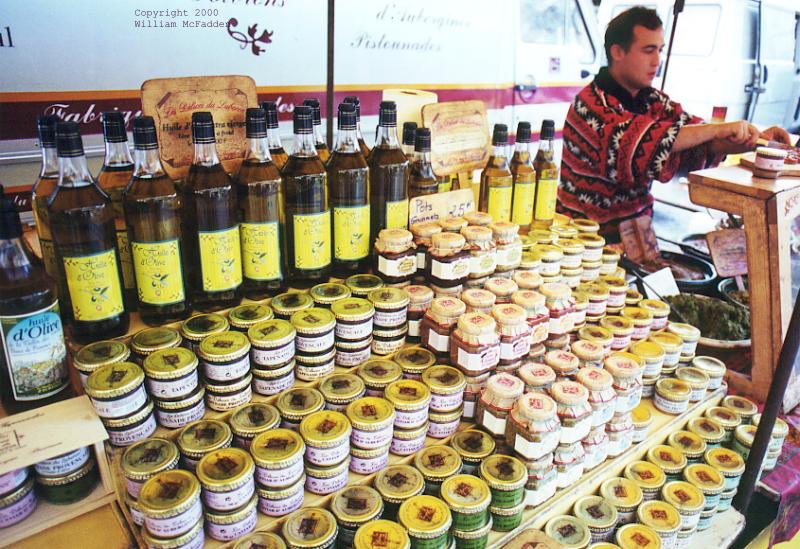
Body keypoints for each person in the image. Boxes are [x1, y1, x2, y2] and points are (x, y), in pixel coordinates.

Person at [557, 6, 791, 241]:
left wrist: (758, 140)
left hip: (638, 239)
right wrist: (717, 129)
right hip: (580, 241)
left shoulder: (653, 101)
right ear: (617, 52)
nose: (657, 61)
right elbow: (635, 144)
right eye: (648, 50)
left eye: (660, 50)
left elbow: (698, 140)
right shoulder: (590, 106)